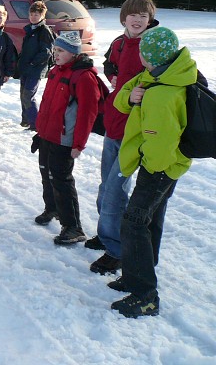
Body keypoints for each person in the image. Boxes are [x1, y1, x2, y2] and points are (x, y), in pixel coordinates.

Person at [107, 27, 196, 317]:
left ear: (150, 57)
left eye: (143, 52)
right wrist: (131, 97)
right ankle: (136, 272)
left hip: (159, 167)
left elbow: (161, 141)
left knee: (133, 223)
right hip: (168, 164)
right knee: (150, 218)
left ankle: (145, 295)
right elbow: (120, 100)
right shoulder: (157, 75)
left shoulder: (161, 94)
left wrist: (150, 165)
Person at [87, 0, 158, 274]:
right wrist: (113, 75)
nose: (137, 20)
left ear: (150, 20)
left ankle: (116, 249)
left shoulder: (153, 45)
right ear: (124, 17)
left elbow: (167, 77)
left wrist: (144, 92)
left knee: (116, 191)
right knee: (106, 186)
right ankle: (107, 233)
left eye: (143, 15)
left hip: (136, 129)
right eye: (133, 15)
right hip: (114, 123)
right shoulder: (119, 42)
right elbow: (109, 63)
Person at [33, 32, 102, 245]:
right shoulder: (55, 71)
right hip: (47, 135)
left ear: (73, 52)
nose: (56, 54)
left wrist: (78, 143)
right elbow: (47, 104)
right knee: (46, 174)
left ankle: (73, 226)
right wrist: (40, 131)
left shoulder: (83, 77)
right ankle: (52, 208)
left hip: (64, 140)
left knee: (61, 180)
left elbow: (87, 114)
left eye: (61, 51)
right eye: (55, 50)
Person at [17, 0, 54, 131]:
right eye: (31, 14)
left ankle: (35, 124)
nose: (33, 17)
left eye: (36, 15)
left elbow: (47, 52)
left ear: (42, 16)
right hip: (26, 68)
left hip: (36, 69)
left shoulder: (44, 31)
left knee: (28, 95)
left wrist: (34, 62)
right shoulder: (30, 29)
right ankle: (26, 120)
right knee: (23, 94)